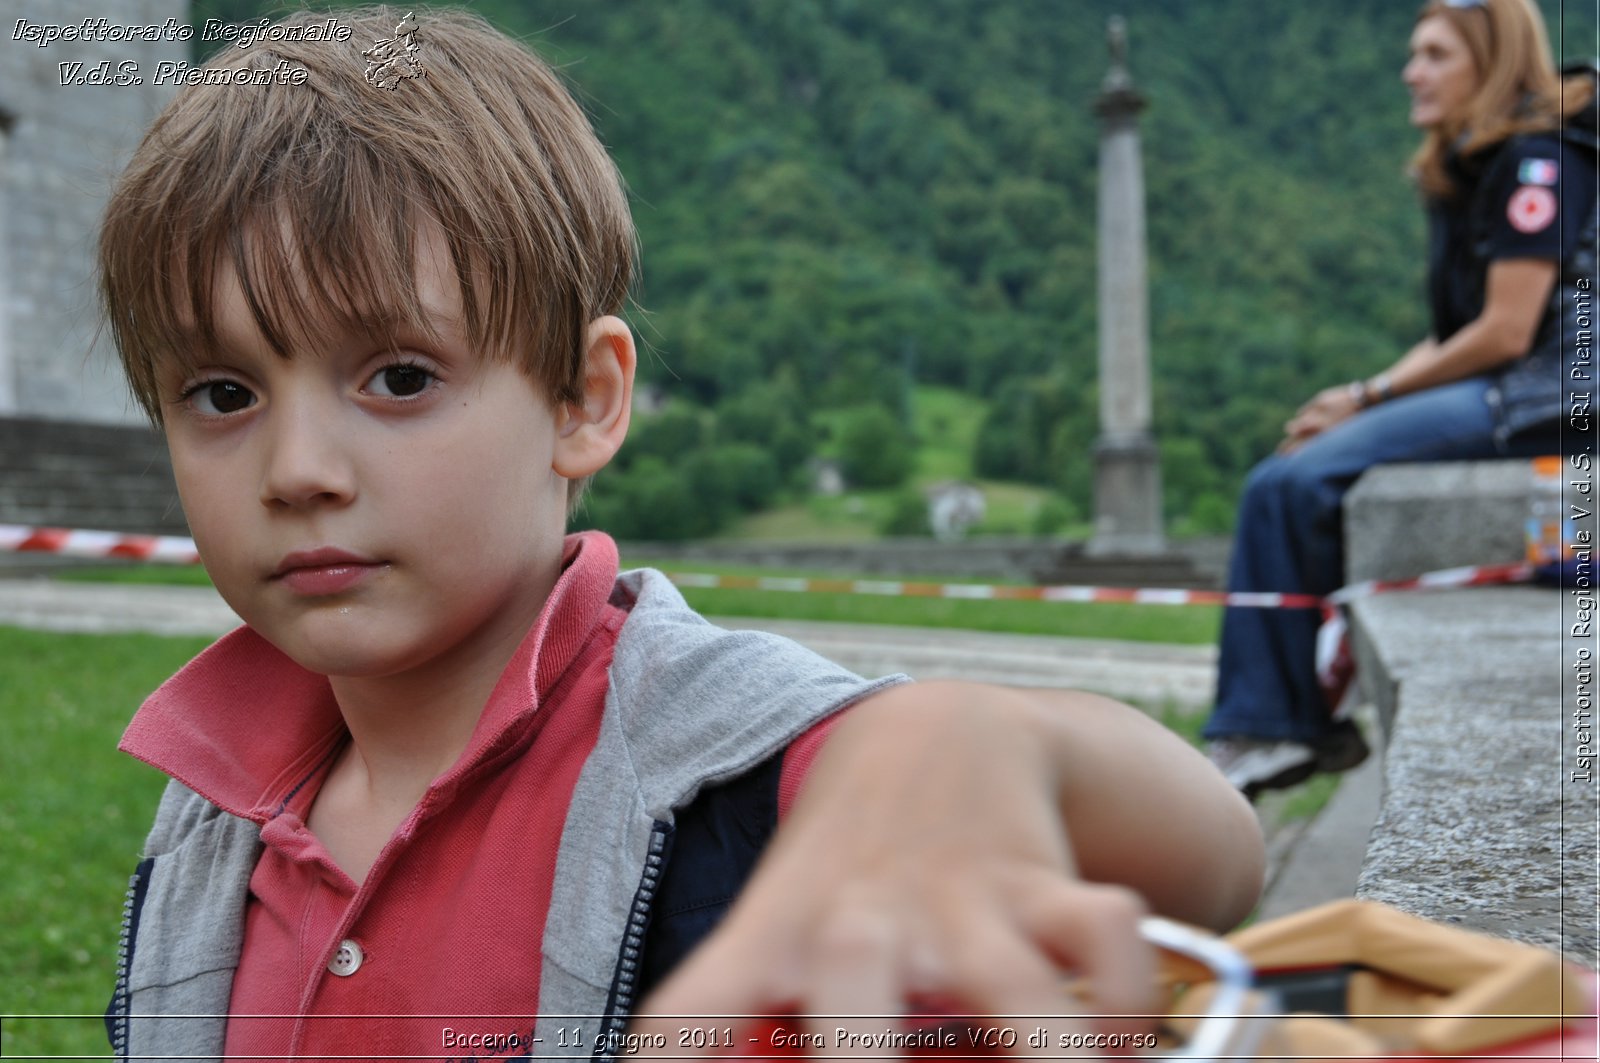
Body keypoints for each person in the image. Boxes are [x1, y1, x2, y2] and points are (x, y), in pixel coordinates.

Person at [96, 8, 1263, 1058]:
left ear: (585, 399)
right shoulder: (205, 817)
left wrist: (966, 739)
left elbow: (1216, 855)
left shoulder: (738, 771)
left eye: (399, 377)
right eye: (221, 394)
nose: (297, 470)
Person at [1203, 0, 1598, 799]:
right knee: (1300, 462)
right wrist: (1355, 401)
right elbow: (1457, 334)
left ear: (1488, 63)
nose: (1410, 71)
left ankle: (1275, 727)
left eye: (1434, 54)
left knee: (1289, 483)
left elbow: (1506, 330)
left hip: (1551, 392)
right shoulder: (1478, 164)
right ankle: (1284, 715)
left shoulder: (1540, 160)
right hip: (1516, 382)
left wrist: (1368, 393)